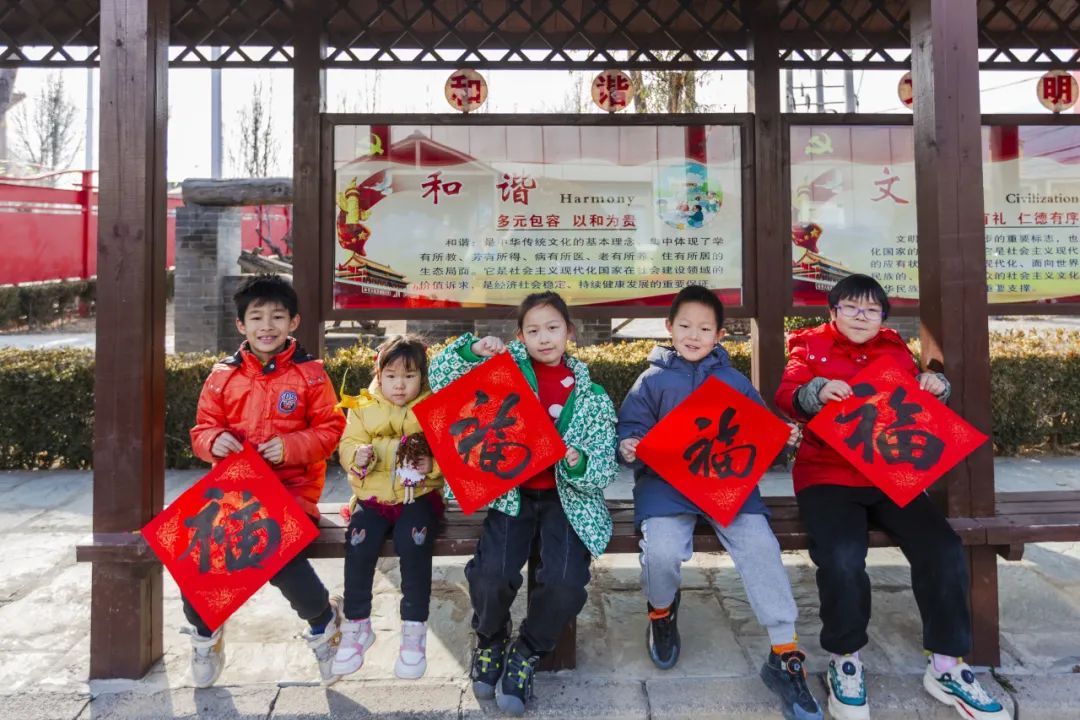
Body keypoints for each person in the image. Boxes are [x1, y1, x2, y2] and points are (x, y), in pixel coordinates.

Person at [775, 273, 1010, 720]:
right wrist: (816, 391)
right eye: (850, 307)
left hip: (889, 474)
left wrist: (936, 386)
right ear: (833, 311)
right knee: (842, 557)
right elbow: (787, 395)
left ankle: (946, 664)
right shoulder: (808, 345)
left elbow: (917, 398)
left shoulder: (894, 346)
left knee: (942, 547)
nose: (860, 316)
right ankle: (845, 659)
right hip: (827, 475)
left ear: (883, 317)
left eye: (871, 309)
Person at [618, 284, 823, 720]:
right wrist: (630, 444)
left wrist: (782, 437)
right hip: (665, 485)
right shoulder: (651, 380)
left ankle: (784, 654)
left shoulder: (734, 380)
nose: (693, 335)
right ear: (669, 327)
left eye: (704, 328)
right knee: (661, 551)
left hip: (727, 484)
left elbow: (758, 431)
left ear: (719, 335)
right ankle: (661, 613)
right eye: (685, 326)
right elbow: (630, 426)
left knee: (761, 547)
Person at [428, 292, 618, 716]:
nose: (543, 338)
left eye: (552, 328)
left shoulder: (592, 395)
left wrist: (578, 461)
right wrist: (472, 350)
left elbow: (605, 467)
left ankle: (528, 649)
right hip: (511, 495)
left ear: (569, 332)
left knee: (566, 583)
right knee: (490, 576)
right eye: (533, 330)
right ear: (520, 336)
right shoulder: (501, 370)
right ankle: (491, 639)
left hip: (566, 501)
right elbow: (440, 376)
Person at [187, 273, 347, 687]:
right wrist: (213, 441)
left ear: (293, 322)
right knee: (198, 552)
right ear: (241, 325)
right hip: (234, 494)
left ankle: (324, 624)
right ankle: (205, 634)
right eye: (256, 318)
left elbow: (331, 430)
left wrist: (290, 447)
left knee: (276, 550)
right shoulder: (222, 376)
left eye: (277, 316)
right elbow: (201, 430)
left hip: (292, 493)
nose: (267, 326)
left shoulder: (311, 375)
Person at [332, 335, 444, 680]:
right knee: (359, 541)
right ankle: (357, 624)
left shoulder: (434, 404)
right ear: (378, 375)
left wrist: (433, 465)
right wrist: (357, 456)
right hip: (373, 498)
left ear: (422, 377)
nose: (400, 385)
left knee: (415, 543)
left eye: (409, 376)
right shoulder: (363, 404)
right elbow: (348, 443)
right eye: (391, 376)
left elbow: (453, 447)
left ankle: (413, 630)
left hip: (419, 496)